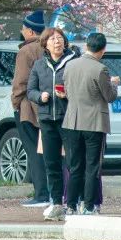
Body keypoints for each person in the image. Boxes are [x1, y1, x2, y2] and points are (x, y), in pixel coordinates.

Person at [61, 32, 119, 216]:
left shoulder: (70, 65)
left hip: (72, 121)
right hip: (94, 122)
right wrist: (114, 84)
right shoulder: (100, 69)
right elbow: (109, 96)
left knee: (75, 165)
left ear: (87, 45)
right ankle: (88, 206)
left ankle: (70, 205)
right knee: (92, 166)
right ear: (103, 50)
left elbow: (69, 92)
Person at [26, 27, 79, 221]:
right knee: (51, 163)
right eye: (52, 39)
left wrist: (68, 94)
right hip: (47, 120)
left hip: (68, 118)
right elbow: (30, 90)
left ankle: (73, 203)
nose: (57, 42)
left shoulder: (72, 63)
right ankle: (56, 202)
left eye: (60, 39)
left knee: (73, 161)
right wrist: (40, 96)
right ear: (45, 44)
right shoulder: (39, 65)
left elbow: (81, 88)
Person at [12, 10, 51, 208]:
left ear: (29, 31)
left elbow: (20, 83)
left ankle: (41, 192)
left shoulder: (25, 51)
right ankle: (51, 192)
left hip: (28, 108)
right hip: (49, 107)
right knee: (48, 150)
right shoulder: (48, 47)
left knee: (33, 150)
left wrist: (15, 104)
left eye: (23, 28)